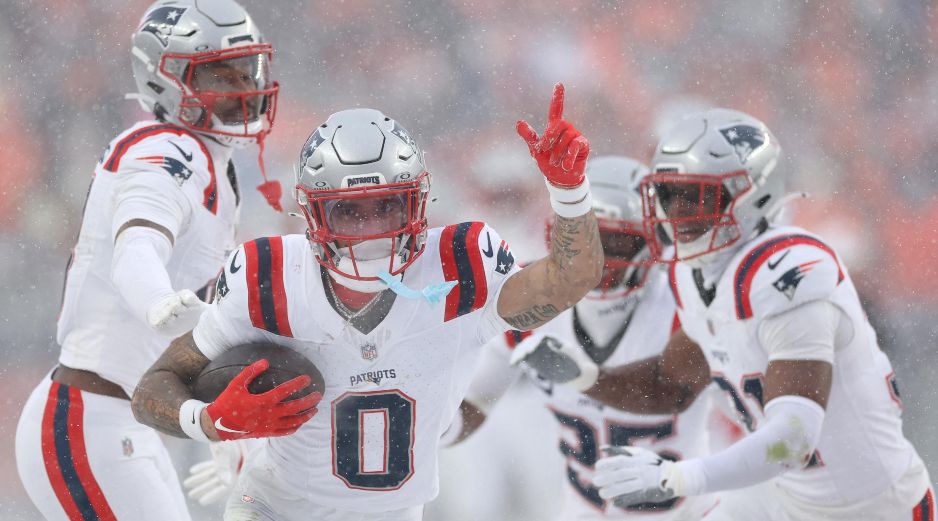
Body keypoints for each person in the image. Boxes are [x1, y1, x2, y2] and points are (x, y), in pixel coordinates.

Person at [130, 84, 605, 521]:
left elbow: (569, 280)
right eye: (349, 211)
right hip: (273, 508)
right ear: (312, 213)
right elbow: (155, 387)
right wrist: (208, 421)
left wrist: (569, 193)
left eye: (387, 206)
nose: (371, 230)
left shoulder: (460, 265)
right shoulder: (268, 276)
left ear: (417, 203)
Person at [583, 109, 933, 520]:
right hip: (781, 496)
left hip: (870, 508)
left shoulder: (789, 272)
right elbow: (671, 382)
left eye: (694, 196)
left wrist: (678, 478)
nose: (676, 212)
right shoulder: (695, 272)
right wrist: (577, 374)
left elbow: (794, 438)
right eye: (668, 194)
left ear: (752, 194)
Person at [15, 0, 280, 519]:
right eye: (219, 76)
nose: (242, 90)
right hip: (87, 419)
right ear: (167, 81)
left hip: (133, 417)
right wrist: (158, 299)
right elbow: (136, 247)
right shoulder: (166, 151)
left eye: (245, 71)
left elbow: (193, 331)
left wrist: (219, 427)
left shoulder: (213, 163)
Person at [458, 155, 719, 520]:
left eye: (616, 243)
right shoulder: (532, 297)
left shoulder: (685, 296)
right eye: (585, 240)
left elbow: (670, 389)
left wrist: (582, 378)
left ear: (655, 244)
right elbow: (473, 402)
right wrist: (421, 431)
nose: (596, 261)